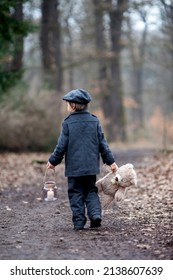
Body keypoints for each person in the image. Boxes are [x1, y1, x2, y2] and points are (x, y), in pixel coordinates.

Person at [47, 88, 118, 230]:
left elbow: (61, 146)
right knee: (91, 191)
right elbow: (102, 144)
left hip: (74, 169)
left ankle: (79, 222)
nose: (67, 106)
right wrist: (111, 162)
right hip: (90, 167)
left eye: (68, 104)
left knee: (75, 193)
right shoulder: (94, 121)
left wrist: (53, 161)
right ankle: (95, 215)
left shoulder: (67, 123)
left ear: (73, 106)